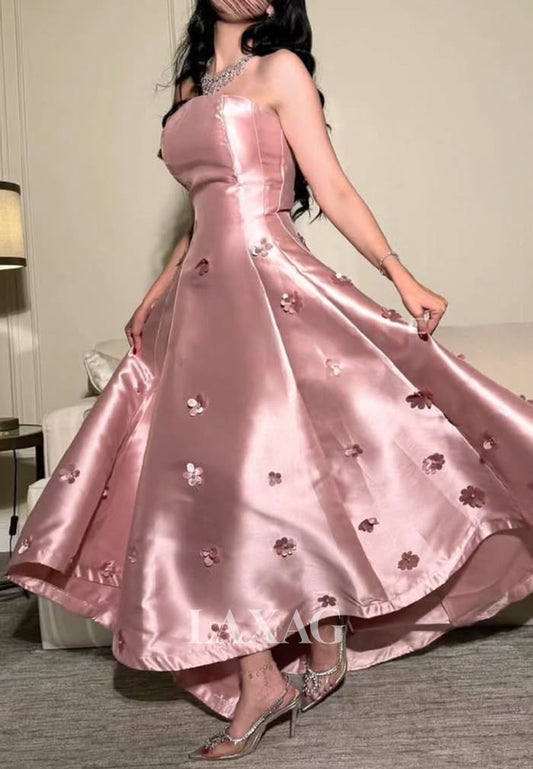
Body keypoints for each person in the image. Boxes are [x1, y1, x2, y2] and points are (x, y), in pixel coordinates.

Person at [6, 0, 533, 761]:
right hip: (200, 300)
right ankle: (263, 674)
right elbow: (201, 211)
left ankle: (321, 634)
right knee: (200, 484)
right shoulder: (190, 88)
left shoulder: (280, 69)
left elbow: (333, 187)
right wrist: (157, 291)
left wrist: (400, 274)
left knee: (269, 472)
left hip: (267, 282)